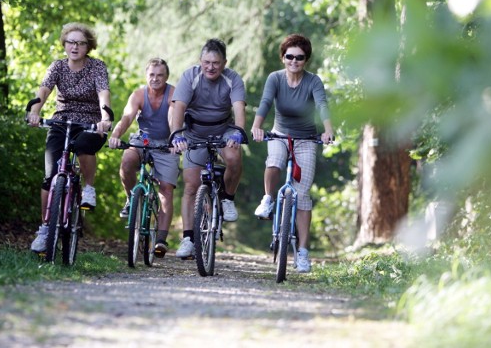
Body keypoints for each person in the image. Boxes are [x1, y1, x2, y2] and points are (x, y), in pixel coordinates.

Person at [250, 34, 333, 273]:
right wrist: (257, 126)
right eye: (289, 56)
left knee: (303, 194)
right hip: (279, 134)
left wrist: (328, 131)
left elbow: (322, 105)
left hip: (306, 139)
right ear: (283, 57)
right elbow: (265, 102)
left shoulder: (313, 81)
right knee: (274, 162)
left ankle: (303, 253)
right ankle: (268, 199)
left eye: (299, 57)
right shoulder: (275, 78)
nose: (294, 61)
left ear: (306, 60)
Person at [27, 22, 112, 253]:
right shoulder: (57, 67)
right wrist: (35, 112)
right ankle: (45, 229)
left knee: (84, 146)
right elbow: (43, 90)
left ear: (88, 47)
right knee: (49, 176)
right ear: (64, 44)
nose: (75, 47)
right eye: (71, 42)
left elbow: (103, 93)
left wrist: (105, 118)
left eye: (81, 43)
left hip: (90, 123)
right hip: (61, 121)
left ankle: (89, 188)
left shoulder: (97, 67)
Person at [170, 38, 246, 258]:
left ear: (224, 63)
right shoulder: (189, 76)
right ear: (200, 61)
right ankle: (188, 239)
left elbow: (239, 109)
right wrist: (176, 134)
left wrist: (239, 132)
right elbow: (179, 107)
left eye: (216, 63)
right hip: (194, 132)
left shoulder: (232, 79)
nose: (210, 67)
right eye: (206, 62)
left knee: (233, 157)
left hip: (223, 129)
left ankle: (228, 198)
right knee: (191, 186)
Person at [108, 57, 180, 257]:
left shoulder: (173, 94)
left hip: (167, 143)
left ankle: (161, 240)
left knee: (166, 189)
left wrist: (175, 139)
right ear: (146, 75)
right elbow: (127, 117)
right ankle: (132, 200)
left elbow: (172, 117)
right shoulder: (138, 94)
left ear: (166, 77)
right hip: (142, 141)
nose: (155, 79)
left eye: (160, 75)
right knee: (127, 161)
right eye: (152, 75)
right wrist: (115, 135)